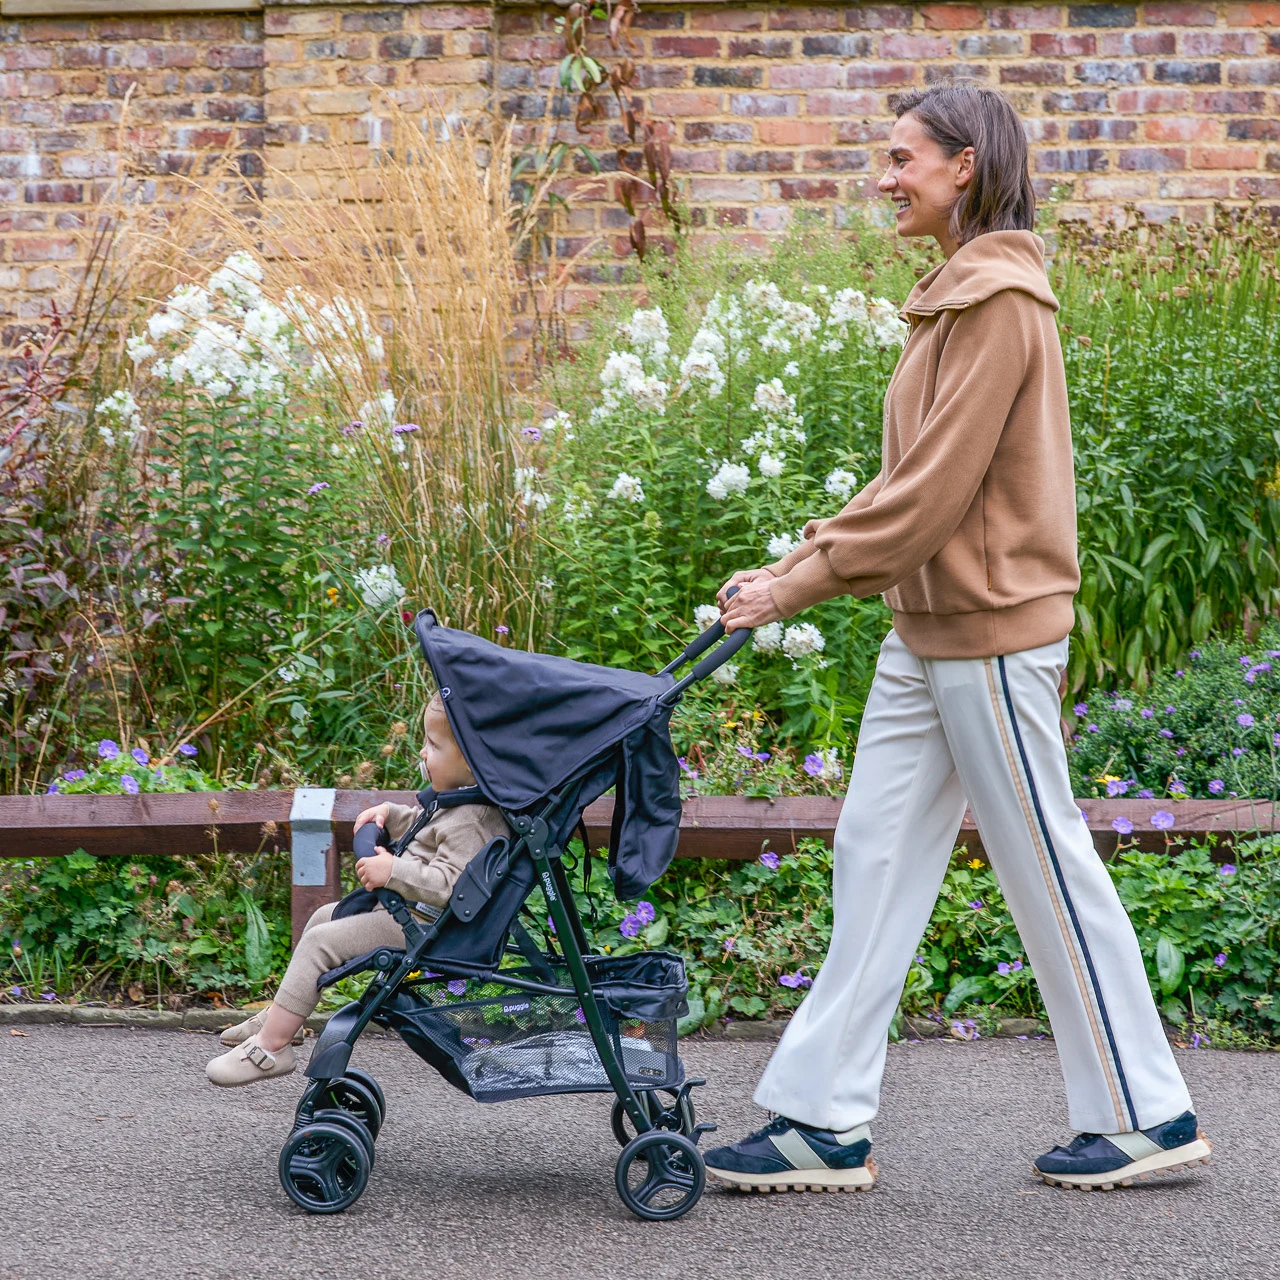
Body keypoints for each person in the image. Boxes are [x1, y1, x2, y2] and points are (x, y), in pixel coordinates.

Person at [702, 83, 1210, 1195]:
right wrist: (795, 563)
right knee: (873, 858)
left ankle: (1145, 1114)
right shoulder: (950, 298)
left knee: (1043, 862)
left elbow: (931, 493)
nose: (884, 178)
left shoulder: (997, 303)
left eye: (902, 159)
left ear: (963, 164)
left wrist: (798, 589)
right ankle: (821, 1120)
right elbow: (904, 479)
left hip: (988, 634)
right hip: (925, 626)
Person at [205, 692, 509, 1087]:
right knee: (322, 919)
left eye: (433, 745)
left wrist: (393, 870)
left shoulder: (473, 820)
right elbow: (423, 826)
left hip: (424, 925)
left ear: (470, 760)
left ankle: (272, 1047)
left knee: (321, 943)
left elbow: (450, 885)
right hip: (407, 914)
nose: (422, 752)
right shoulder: (459, 802)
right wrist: (390, 814)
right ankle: (282, 1016)